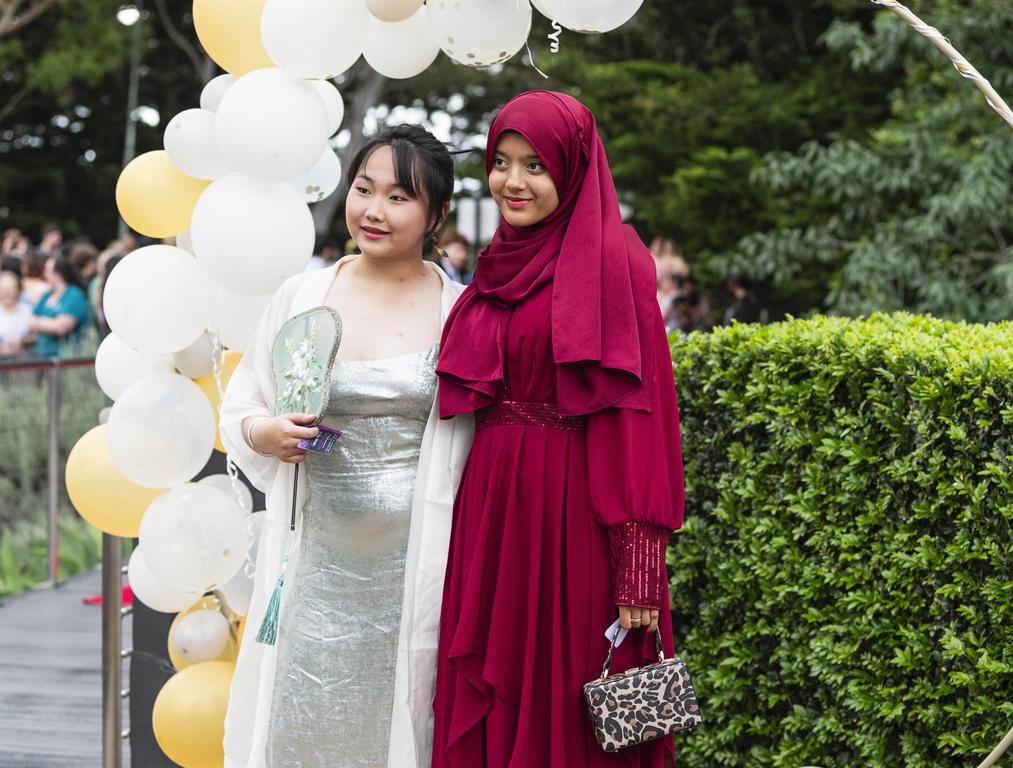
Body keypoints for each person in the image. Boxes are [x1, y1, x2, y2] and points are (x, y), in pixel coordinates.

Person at [434, 91, 684, 767]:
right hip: (492, 509)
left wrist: (638, 555)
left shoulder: (615, 263)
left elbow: (638, 412)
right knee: (497, 684)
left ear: (573, 170)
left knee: (574, 690)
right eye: (502, 162)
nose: (513, 182)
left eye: (536, 167)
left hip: (575, 510)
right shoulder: (498, 261)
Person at [220, 124, 475, 768]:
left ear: (436, 215)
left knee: (401, 731)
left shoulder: (461, 312)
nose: (373, 210)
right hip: (313, 566)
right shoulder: (302, 295)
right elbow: (243, 401)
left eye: (399, 198)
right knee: (296, 727)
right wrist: (265, 434)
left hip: (418, 572)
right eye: (364, 189)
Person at [28, 253, 89, 358]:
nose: (44, 274)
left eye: (47, 271)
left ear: (58, 274)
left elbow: (61, 327)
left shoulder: (74, 295)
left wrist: (39, 322)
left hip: (66, 357)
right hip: (41, 356)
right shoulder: (47, 295)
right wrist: (51, 323)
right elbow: (30, 321)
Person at [0, 271, 31, 356]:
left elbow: (37, 336)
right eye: (4, 289)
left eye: (11, 289)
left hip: (24, 362)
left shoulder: (27, 310)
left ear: (18, 290)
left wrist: (23, 341)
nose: (8, 293)